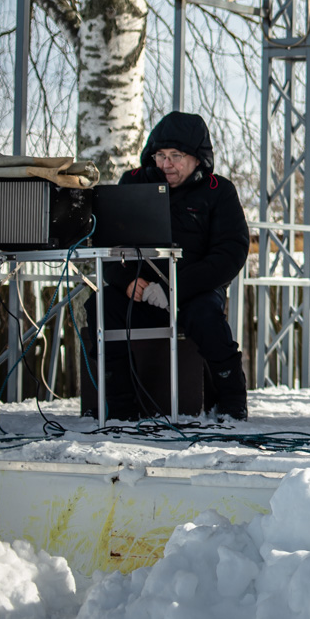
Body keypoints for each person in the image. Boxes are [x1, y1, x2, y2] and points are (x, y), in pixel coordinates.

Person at [96, 111, 251, 420]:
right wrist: (127, 281)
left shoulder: (218, 191)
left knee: (207, 318)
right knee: (101, 308)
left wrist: (175, 287)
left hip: (196, 288)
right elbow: (105, 241)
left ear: (197, 158)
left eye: (176, 156)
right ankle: (120, 408)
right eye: (160, 155)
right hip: (140, 288)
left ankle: (231, 404)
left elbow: (231, 252)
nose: (166, 164)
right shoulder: (134, 183)